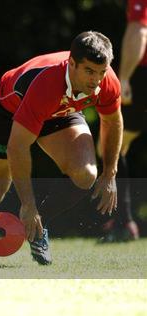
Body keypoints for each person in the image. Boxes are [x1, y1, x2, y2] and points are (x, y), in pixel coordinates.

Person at [0, 31, 123, 265]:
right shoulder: (46, 84)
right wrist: (28, 204)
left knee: (86, 175)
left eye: (101, 72)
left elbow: (112, 121)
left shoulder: (107, 81)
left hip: (61, 111)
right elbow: (17, 147)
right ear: (72, 64)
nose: (96, 80)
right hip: (13, 110)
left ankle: (37, 230)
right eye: (89, 71)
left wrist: (109, 173)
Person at [98, 0, 146, 242]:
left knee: (111, 144)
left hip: (142, 74)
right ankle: (122, 220)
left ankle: (124, 222)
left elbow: (139, 31)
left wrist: (125, 77)